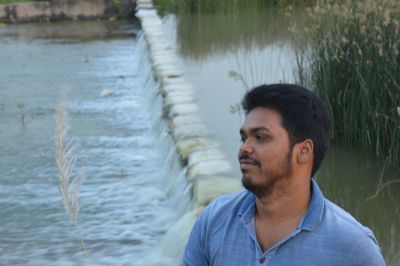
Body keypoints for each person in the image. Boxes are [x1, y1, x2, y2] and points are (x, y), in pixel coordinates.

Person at [182, 84, 386, 266]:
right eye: (244, 138)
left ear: (304, 151)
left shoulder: (353, 247)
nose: (244, 148)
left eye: (260, 137)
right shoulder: (215, 220)